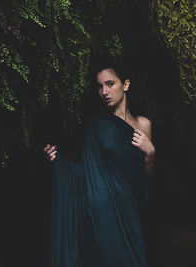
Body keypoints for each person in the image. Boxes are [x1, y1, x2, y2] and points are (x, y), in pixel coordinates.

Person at [44, 63, 155, 267]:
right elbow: (87, 174)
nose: (104, 91)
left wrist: (150, 153)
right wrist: (59, 161)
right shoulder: (95, 126)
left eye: (110, 84)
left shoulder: (143, 124)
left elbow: (146, 178)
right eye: (100, 86)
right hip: (103, 211)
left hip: (131, 211)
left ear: (126, 85)